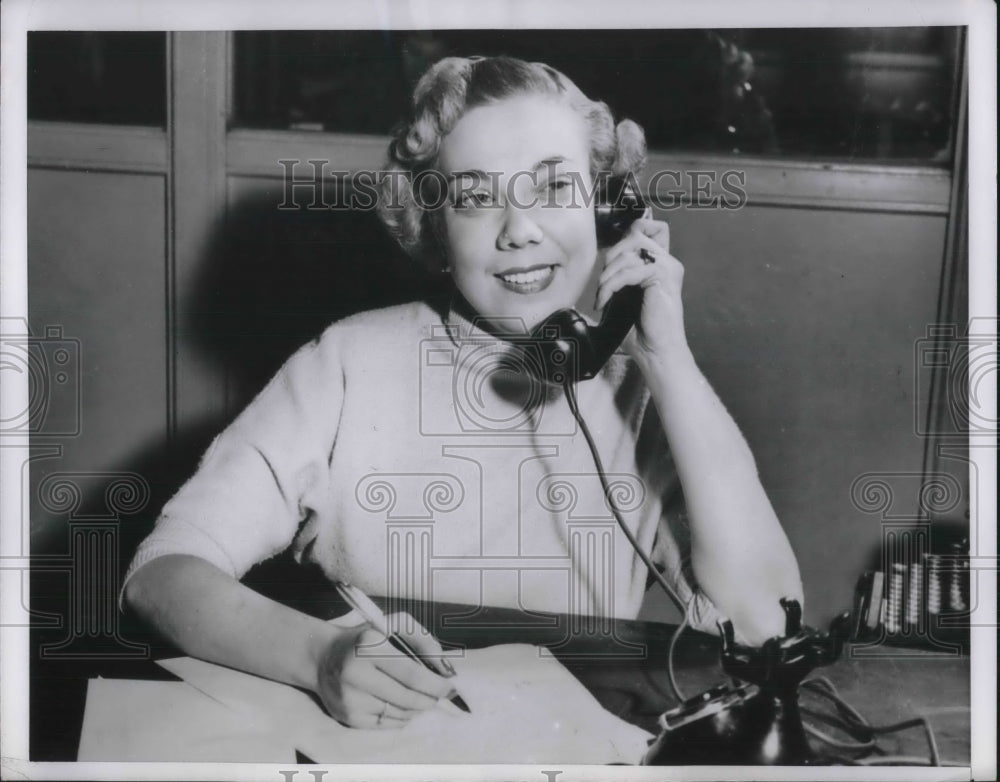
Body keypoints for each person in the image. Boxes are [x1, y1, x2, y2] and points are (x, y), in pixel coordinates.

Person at [123, 55, 803, 730]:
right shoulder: (347, 362)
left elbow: (768, 626)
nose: (519, 229)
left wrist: (666, 357)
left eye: (555, 187)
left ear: (607, 212)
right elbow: (160, 574)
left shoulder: (644, 391)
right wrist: (320, 656)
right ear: (436, 226)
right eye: (477, 197)